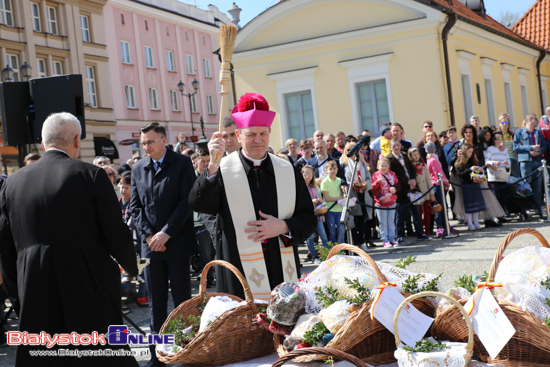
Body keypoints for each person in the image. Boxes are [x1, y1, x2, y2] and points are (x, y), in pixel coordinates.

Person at [0, 112, 138, 367]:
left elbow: (6, 251)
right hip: (87, 286)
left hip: (35, 287)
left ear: (43, 144)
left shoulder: (12, 183)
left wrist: (18, 295)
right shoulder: (91, 175)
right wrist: (132, 267)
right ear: (77, 140)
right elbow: (115, 234)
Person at [189, 93, 316, 301]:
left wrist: (284, 226)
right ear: (238, 135)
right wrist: (212, 165)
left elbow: (308, 218)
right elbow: (199, 203)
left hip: (280, 266)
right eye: (251, 134)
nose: (258, 140)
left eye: (262, 133)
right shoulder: (223, 169)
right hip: (238, 268)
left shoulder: (287, 169)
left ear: (269, 132)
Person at [131, 122, 197, 367]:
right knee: (155, 303)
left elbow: (186, 202)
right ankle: (157, 356)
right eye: (143, 142)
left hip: (177, 244)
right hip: (150, 248)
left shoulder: (181, 163)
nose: (146, 146)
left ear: (163, 140)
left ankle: (186, 352)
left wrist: (166, 233)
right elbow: (135, 208)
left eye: (150, 141)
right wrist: (149, 236)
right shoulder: (138, 167)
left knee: (182, 302)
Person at [387, 138, 429, 242]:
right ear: (390, 147)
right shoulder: (389, 159)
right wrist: (407, 181)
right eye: (394, 146)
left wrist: (413, 180)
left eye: (398, 145)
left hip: (412, 188)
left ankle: (420, 233)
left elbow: (412, 168)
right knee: (400, 214)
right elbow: (393, 175)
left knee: (416, 212)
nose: (396, 147)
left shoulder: (404, 155)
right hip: (401, 190)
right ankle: (399, 235)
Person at [513, 113, 547, 218]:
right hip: (525, 162)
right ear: (529, 119)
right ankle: (526, 209)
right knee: (525, 186)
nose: (537, 120)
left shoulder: (538, 133)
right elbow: (515, 147)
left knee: (538, 187)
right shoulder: (519, 132)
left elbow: (545, 146)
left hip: (537, 162)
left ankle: (538, 208)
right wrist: (530, 149)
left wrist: (539, 152)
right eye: (535, 118)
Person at [341, 141, 373, 250]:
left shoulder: (363, 162)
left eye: (353, 149)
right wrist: (352, 185)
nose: (351, 151)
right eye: (349, 149)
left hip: (363, 194)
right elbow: (343, 181)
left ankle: (362, 241)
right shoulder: (343, 164)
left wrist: (365, 185)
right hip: (352, 195)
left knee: (363, 219)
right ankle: (355, 243)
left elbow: (369, 178)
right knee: (354, 220)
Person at [193, 148, 215, 288]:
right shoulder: (191, 176)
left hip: (212, 219)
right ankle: (207, 277)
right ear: (197, 161)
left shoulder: (212, 175)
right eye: (203, 161)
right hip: (198, 221)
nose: (206, 164)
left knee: (213, 252)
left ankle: (211, 276)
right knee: (205, 253)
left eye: (208, 161)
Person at [455, 143, 486, 230]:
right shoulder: (459, 163)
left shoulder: (473, 161)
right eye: (469, 152)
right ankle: (469, 223)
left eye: (471, 152)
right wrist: (469, 170)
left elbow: (478, 171)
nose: (470, 154)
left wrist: (479, 170)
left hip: (475, 184)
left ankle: (476, 222)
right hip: (466, 185)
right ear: (465, 152)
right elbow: (460, 175)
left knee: (476, 205)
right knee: (469, 205)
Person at [302, 165, 329, 263]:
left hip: (317, 215)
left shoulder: (315, 186)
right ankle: (314, 256)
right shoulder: (300, 187)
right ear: (302, 175)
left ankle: (328, 255)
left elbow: (319, 198)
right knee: (310, 237)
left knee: (323, 236)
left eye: (310, 174)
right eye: (305, 174)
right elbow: (301, 202)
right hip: (307, 216)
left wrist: (320, 201)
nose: (308, 176)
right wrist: (311, 201)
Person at [424, 141, 452, 237]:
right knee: (440, 206)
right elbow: (439, 173)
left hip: (434, 185)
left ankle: (443, 225)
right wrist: (446, 182)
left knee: (438, 206)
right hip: (438, 184)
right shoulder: (434, 160)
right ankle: (440, 227)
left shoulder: (428, 159)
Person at [408, 147, 435, 237]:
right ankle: (420, 231)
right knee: (418, 213)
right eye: (413, 155)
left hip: (425, 191)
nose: (416, 156)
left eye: (417, 154)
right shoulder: (410, 166)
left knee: (427, 212)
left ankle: (427, 230)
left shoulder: (423, 165)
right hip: (416, 192)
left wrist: (431, 193)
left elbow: (428, 179)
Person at [371, 158, 399, 247]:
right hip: (380, 202)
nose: (384, 167)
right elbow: (372, 188)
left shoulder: (392, 174)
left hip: (391, 201)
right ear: (378, 166)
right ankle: (385, 240)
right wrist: (377, 183)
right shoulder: (375, 175)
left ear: (388, 166)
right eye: (382, 166)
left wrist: (394, 189)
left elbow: (397, 184)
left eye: (385, 166)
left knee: (391, 221)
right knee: (383, 222)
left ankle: (392, 238)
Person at [485, 131, 511, 221]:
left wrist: (507, 163)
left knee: (503, 196)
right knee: (496, 196)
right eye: (496, 138)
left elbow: (508, 160)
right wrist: (493, 162)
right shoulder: (490, 149)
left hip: (503, 175)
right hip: (494, 176)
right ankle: (496, 215)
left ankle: (501, 215)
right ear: (493, 139)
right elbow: (486, 161)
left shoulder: (505, 149)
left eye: (500, 138)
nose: (498, 140)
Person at [320, 160, 345, 244]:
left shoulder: (339, 180)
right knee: (332, 232)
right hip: (330, 210)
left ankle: (341, 250)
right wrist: (338, 198)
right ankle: (333, 249)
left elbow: (343, 193)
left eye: (334, 168)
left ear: (337, 169)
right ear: (326, 170)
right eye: (330, 169)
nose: (332, 171)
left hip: (339, 209)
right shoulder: (324, 182)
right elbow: (327, 198)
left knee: (341, 231)